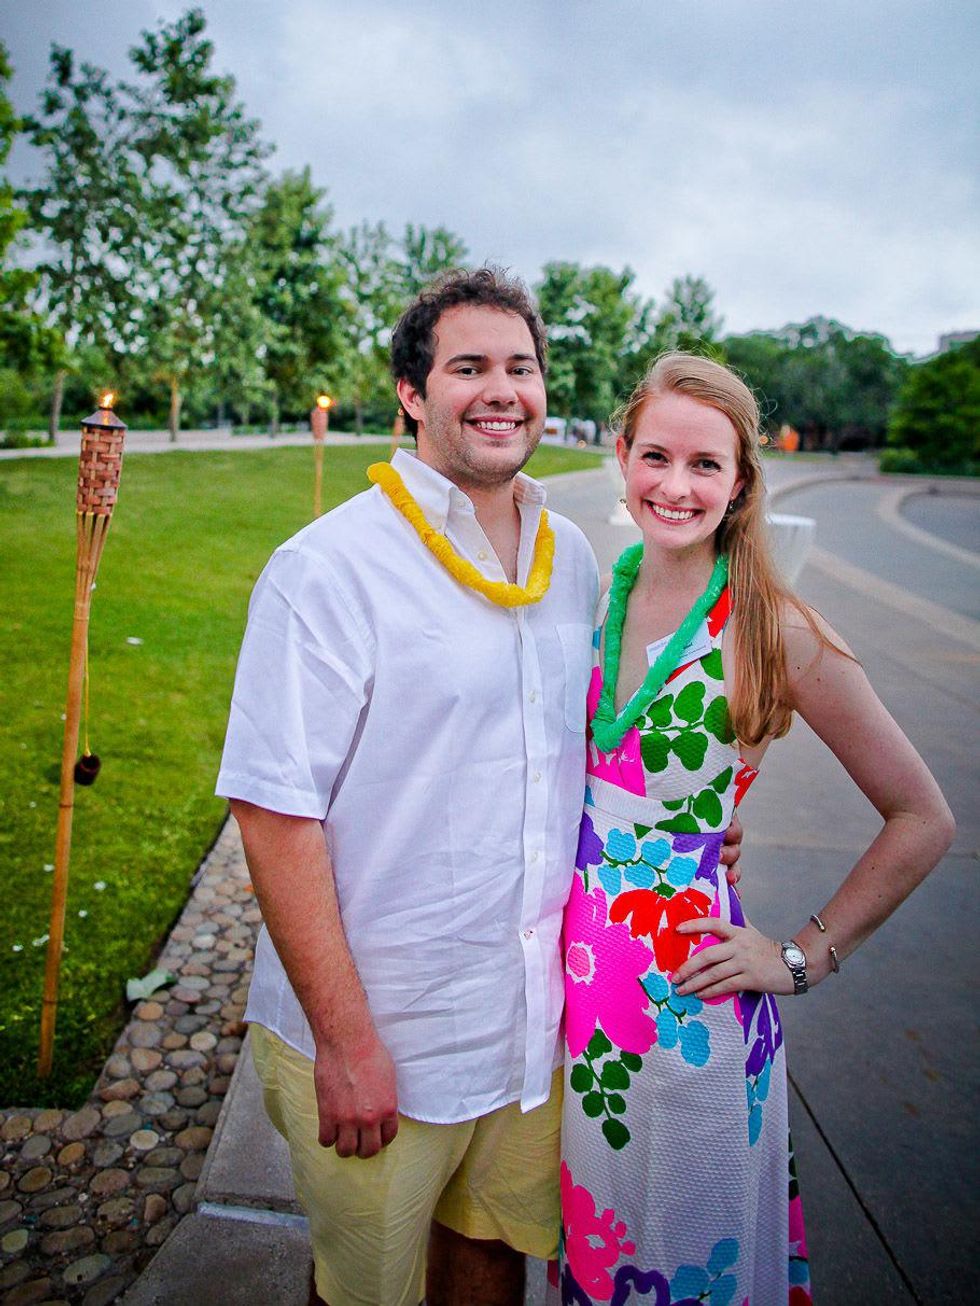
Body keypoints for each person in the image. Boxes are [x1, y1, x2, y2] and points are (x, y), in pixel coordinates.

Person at [217, 269, 741, 1306]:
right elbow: (274, 814)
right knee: (365, 1290)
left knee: (495, 1257)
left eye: (520, 367)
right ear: (411, 392)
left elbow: (592, 749)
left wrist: (697, 827)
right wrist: (345, 1041)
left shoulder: (573, 559)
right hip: (389, 1024)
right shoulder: (328, 568)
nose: (502, 390)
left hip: (534, 1021)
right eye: (468, 367)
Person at [557, 353, 955, 1305]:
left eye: (707, 465)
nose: (676, 485)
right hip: (577, 1015)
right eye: (657, 456)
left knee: (685, 1270)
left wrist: (800, 956)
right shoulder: (593, 597)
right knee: (593, 1263)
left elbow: (922, 817)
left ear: (740, 483)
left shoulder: (774, 629)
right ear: (623, 454)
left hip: (690, 1019)